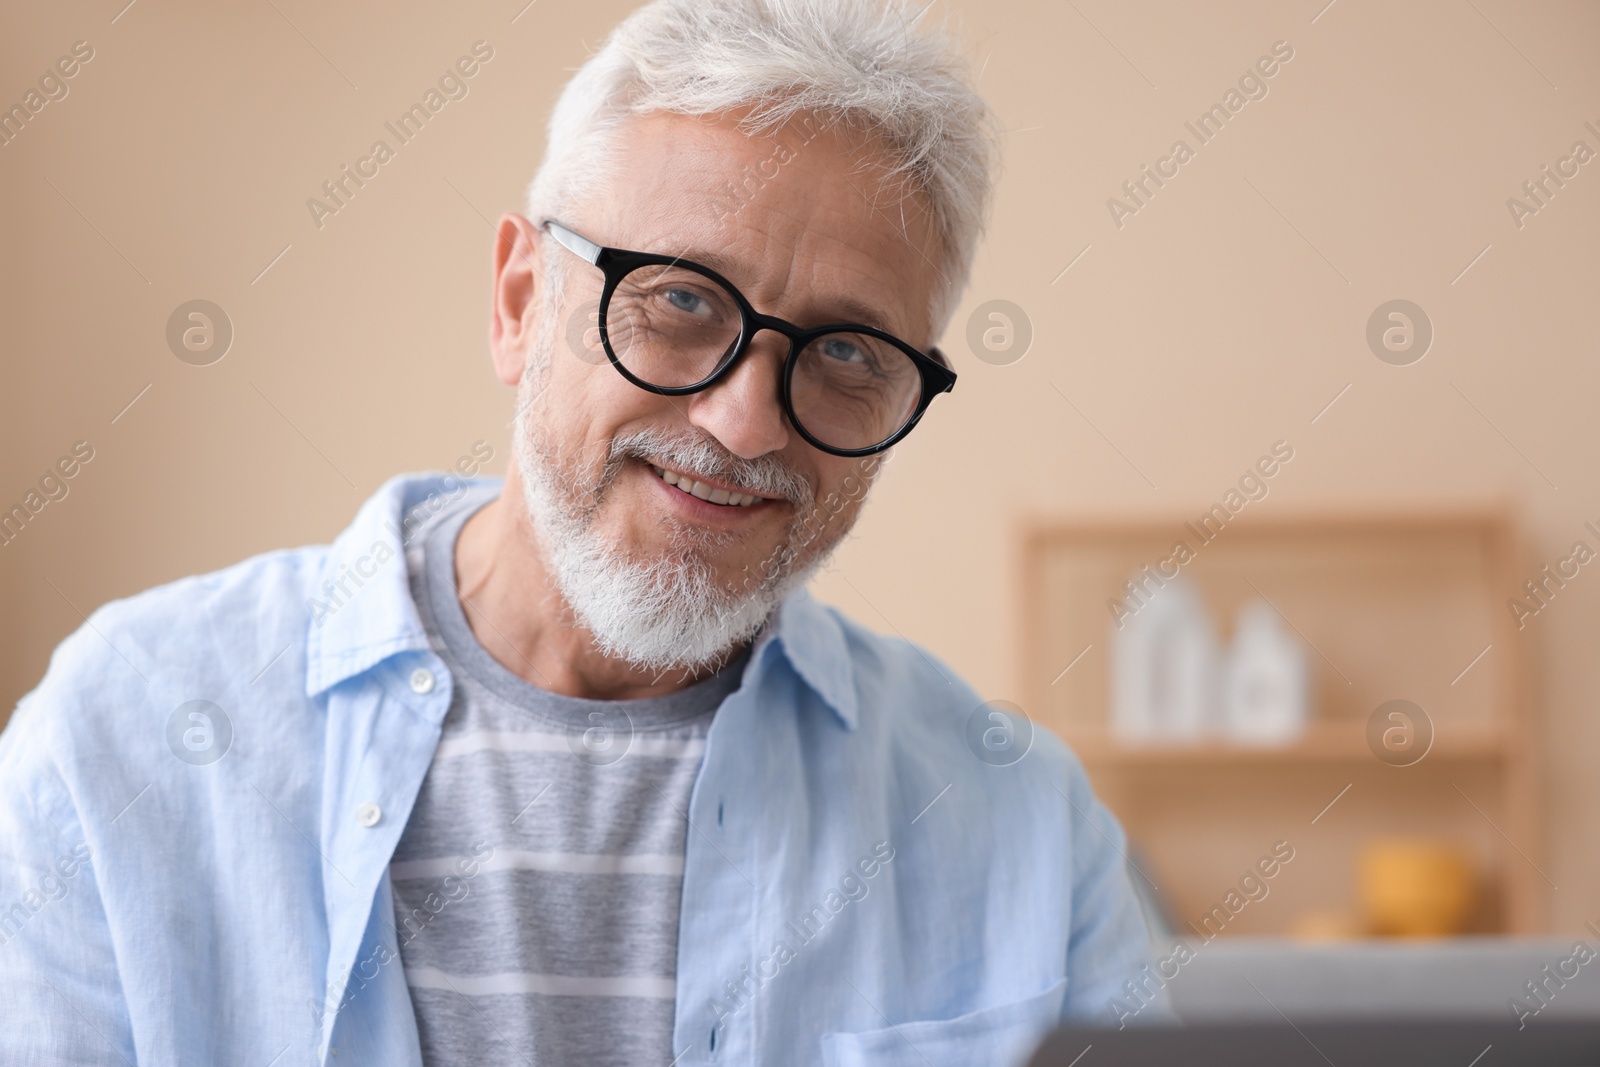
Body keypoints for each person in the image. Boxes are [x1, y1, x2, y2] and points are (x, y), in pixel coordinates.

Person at [0, 0, 1167, 1063]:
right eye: (679, 299)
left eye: (850, 352)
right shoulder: (128, 735)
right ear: (520, 304)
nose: (744, 419)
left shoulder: (1018, 825)